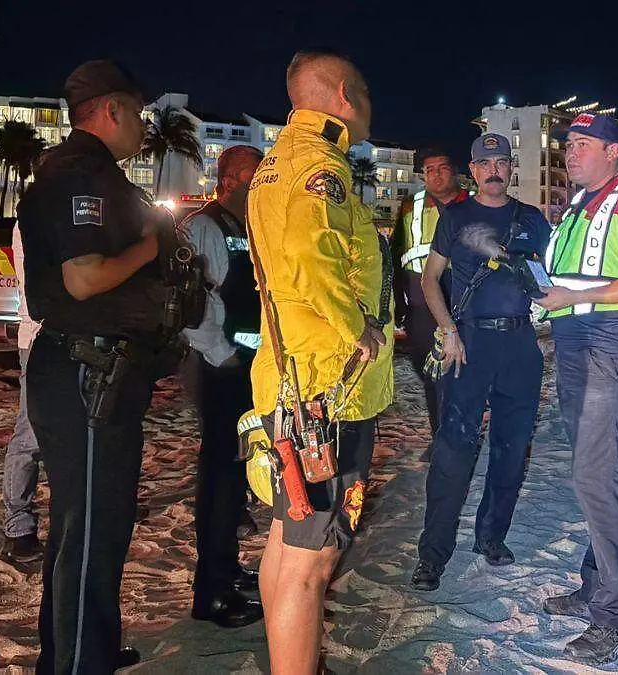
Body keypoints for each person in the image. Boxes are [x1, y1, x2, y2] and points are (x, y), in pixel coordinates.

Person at [19, 60, 199, 673]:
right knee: (89, 529)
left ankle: (82, 649)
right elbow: (85, 277)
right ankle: (77, 661)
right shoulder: (80, 174)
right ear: (112, 110)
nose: (143, 125)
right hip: (86, 369)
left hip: (97, 369)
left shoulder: (87, 172)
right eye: (138, 112)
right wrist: (152, 245)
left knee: (94, 525)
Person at [245, 50, 392, 675]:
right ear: (343, 95)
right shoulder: (319, 165)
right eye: (365, 92)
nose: (369, 106)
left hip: (291, 378)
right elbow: (312, 259)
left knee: (287, 544)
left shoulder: (277, 161)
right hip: (328, 388)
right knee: (313, 560)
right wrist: (359, 328)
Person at [534, 113, 618, 665]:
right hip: (575, 343)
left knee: (595, 476)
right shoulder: (579, 205)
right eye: (568, 143)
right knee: (595, 474)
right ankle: (596, 586)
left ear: (613, 151)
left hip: (607, 344)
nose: (571, 152)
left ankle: (616, 619)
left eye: (583, 143)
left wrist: (569, 298)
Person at [409, 133, 550, 591]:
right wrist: (448, 330)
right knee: (453, 450)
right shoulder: (455, 216)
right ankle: (433, 554)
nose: (493, 170)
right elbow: (430, 279)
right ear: (472, 170)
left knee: (511, 448)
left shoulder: (531, 219)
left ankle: (491, 536)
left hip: (520, 345)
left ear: (511, 168)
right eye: (485, 163)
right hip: (468, 343)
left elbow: (550, 280)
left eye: (501, 162)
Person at [179, 145, 265, 627]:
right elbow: (194, 304)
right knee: (218, 478)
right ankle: (211, 593)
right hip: (220, 370)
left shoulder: (247, 226)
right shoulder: (204, 227)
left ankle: (228, 569)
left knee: (235, 477)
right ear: (229, 179)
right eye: (255, 175)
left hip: (245, 369)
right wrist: (222, 355)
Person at [391, 147, 471, 451]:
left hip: (463, 305)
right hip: (421, 306)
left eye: (443, 167)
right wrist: (398, 303)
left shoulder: (472, 204)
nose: (436, 175)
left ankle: (454, 438)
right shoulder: (410, 207)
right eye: (429, 170)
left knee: (460, 376)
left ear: (455, 171)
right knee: (430, 374)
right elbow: (397, 253)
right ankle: (441, 436)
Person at [0, 221, 44, 564]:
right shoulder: (35, 216)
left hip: (71, 337)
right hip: (40, 338)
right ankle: (18, 526)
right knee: (31, 433)